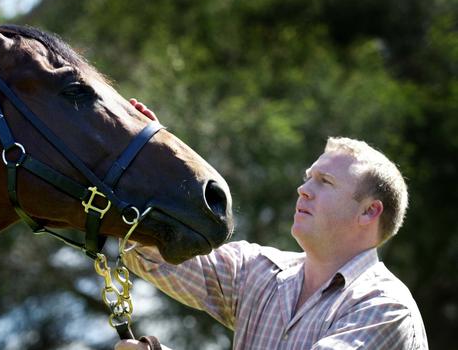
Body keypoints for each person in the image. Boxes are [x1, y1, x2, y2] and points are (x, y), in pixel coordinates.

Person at [115, 100, 428, 349]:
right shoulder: (258, 271)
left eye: (325, 181)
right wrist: (146, 167)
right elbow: (150, 251)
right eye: (308, 178)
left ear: (369, 212)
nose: (303, 189)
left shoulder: (385, 308)